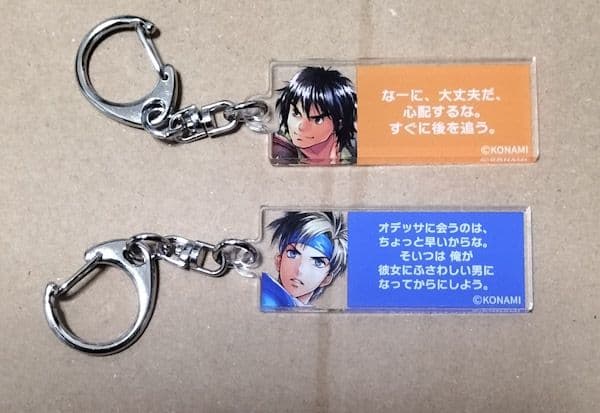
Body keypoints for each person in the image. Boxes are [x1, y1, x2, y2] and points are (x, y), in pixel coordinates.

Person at [261, 211, 348, 309]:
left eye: (318, 262)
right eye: (293, 254)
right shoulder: (266, 298)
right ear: (279, 261)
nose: (300, 269)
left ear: (326, 279)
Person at [272, 67, 357, 165]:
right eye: (296, 113)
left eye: (317, 119)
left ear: (339, 122)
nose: (301, 127)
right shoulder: (280, 150)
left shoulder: (352, 149)